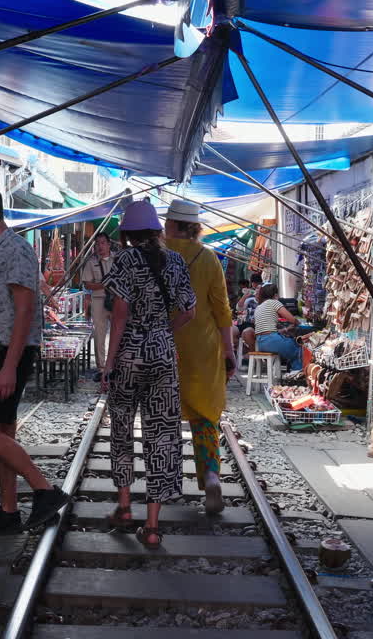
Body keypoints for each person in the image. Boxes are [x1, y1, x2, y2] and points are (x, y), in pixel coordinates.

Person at [0, 183, 68, 536]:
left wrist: (8, 365)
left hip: (8, 352)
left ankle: (44, 491)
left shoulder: (16, 250)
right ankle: (8, 511)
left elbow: (25, 312)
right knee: (3, 430)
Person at [101, 200, 196, 548]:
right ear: (157, 231)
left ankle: (125, 507)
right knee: (161, 437)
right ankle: (153, 527)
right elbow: (190, 311)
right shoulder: (176, 260)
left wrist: (109, 365)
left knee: (123, 429)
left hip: (129, 355)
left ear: (128, 233)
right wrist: (162, 332)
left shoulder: (124, 260)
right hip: (162, 355)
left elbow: (120, 315)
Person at [162, 199, 235, 514]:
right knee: (205, 417)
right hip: (203, 350)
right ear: (194, 227)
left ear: (172, 225)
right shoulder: (208, 259)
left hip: (164, 346)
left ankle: (163, 482)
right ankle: (211, 475)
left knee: (162, 416)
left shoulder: (158, 257)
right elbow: (223, 310)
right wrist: (229, 352)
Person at [78, 232, 114, 381]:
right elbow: (87, 284)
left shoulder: (117, 259)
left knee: (120, 332)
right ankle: (102, 368)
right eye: (97, 243)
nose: (100, 246)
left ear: (109, 244)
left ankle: (116, 365)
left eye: (103, 243)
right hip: (99, 301)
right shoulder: (91, 263)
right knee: (99, 335)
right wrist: (105, 284)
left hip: (117, 300)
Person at [253, 283, 301, 370]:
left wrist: (285, 329)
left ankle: (293, 372)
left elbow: (266, 330)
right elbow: (291, 319)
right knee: (298, 350)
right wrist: (298, 323)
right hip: (271, 341)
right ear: (275, 295)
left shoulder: (259, 307)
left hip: (261, 343)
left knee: (290, 346)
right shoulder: (274, 302)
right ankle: (297, 374)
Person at [231, 272, 263, 352]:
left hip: (255, 326)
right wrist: (245, 296)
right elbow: (239, 308)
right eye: (257, 289)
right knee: (231, 330)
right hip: (246, 324)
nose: (257, 291)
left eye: (260, 289)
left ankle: (251, 353)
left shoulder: (265, 302)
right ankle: (244, 350)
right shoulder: (250, 300)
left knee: (247, 331)